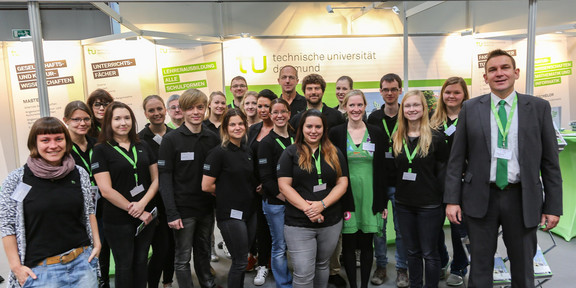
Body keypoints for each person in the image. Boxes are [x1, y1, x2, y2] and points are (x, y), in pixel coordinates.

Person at [445, 49, 563, 288]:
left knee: (523, 267)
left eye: (504, 68)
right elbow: (456, 159)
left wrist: (553, 206)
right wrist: (452, 200)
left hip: (522, 198)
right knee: (479, 267)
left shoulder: (539, 108)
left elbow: (550, 162)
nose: (499, 73)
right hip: (480, 197)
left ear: (516, 72)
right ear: (485, 77)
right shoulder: (471, 108)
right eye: (492, 70)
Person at [1, 117, 100, 288]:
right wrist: (16, 267)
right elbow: (7, 224)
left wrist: (97, 245)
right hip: (41, 273)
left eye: (59, 139)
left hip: (82, 265)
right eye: (45, 140)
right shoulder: (17, 180)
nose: (53, 146)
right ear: (34, 143)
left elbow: (89, 210)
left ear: (66, 141)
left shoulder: (79, 173)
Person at [277, 109, 349, 288]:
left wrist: (322, 204)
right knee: (303, 272)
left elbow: (342, 183)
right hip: (298, 223)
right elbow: (284, 185)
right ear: (302, 128)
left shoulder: (335, 152)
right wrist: (309, 209)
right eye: (309, 126)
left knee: (322, 264)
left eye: (318, 127)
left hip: (330, 221)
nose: (313, 130)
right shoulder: (290, 153)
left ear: (324, 129)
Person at [92, 102, 158, 288]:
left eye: (127, 118)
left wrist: (142, 205)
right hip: (118, 219)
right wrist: (134, 208)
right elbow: (105, 190)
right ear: (108, 122)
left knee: (141, 261)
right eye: (118, 118)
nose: (123, 122)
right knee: (125, 265)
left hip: (146, 216)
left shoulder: (143, 144)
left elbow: (156, 180)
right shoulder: (101, 150)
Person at [159, 89, 220, 288]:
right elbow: (165, 178)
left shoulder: (212, 138)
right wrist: (171, 212)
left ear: (205, 109)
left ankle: (207, 283)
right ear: (182, 111)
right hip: (182, 210)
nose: (196, 112)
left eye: (200, 107)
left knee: (203, 251)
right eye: (190, 108)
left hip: (205, 208)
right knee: (183, 256)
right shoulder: (171, 140)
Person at [329, 90, 387, 288]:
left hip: (370, 196)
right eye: (351, 105)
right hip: (346, 195)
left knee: (366, 244)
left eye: (359, 105)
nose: (355, 109)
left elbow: (383, 170)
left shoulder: (377, 133)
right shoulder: (335, 133)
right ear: (345, 107)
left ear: (365, 106)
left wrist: (382, 201)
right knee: (349, 244)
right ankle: (353, 285)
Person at [392, 90, 449, 288]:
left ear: (424, 108)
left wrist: (445, 201)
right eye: (407, 106)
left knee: (429, 253)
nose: (412, 109)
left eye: (416, 105)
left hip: (430, 205)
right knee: (412, 252)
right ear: (402, 110)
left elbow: (443, 173)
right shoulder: (397, 137)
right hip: (403, 204)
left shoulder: (436, 138)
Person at [202, 108, 257, 288]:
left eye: (241, 123)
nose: (237, 127)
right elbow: (206, 185)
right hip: (230, 214)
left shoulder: (246, 150)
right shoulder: (218, 153)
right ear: (225, 128)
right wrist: (228, 190)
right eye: (232, 124)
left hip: (249, 212)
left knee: (243, 257)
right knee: (240, 261)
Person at [367, 73, 409, 287]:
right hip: (381, 183)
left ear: (400, 90)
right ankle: (381, 265)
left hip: (404, 183)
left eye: (394, 89)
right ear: (381, 91)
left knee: (402, 229)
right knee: (379, 229)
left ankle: (402, 268)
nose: (390, 93)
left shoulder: (409, 114)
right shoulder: (373, 118)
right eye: (386, 89)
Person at [63, 101, 111, 288]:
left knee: (104, 248)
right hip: (77, 209)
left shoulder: (97, 144)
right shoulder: (62, 147)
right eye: (76, 120)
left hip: (103, 204)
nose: (82, 123)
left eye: (86, 119)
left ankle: (104, 281)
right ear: (66, 120)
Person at [430, 77, 470, 286]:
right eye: (448, 92)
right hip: (435, 183)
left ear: (464, 95)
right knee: (434, 228)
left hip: (462, 183)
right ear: (442, 95)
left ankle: (459, 267)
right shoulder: (432, 120)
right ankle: (442, 260)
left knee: (458, 229)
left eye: (456, 92)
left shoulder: (470, 117)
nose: (451, 96)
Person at [138, 95, 175, 288]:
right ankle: (152, 284)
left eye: (159, 108)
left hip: (173, 202)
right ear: (145, 113)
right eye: (151, 110)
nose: (156, 113)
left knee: (172, 248)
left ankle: (167, 282)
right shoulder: (139, 139)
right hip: (153, 204)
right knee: (160, 249)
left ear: (165, 109)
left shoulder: (175, 134)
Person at [257, 98, 294, 288]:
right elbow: (266, 179)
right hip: (276, 203)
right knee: (279, 245)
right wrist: (286, 199)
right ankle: (284, 283)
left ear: (289, 113)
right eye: (275, 112)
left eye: (283, 112)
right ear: (270, 115)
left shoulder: (297, 137)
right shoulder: (266, 143)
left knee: (295, 246)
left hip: (297, 201)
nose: (280, 116)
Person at [246, 89, 278, 285]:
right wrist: (254, 183)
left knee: (276, 230)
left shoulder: (284, 129)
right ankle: (263, 265)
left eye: (267, 106)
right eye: (260, 106)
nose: (263, 109)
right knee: (261, 230)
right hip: (254, 189)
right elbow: (247, 159)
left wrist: (267, 185)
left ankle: (276, 263)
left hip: (275, 189)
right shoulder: (252, 129)